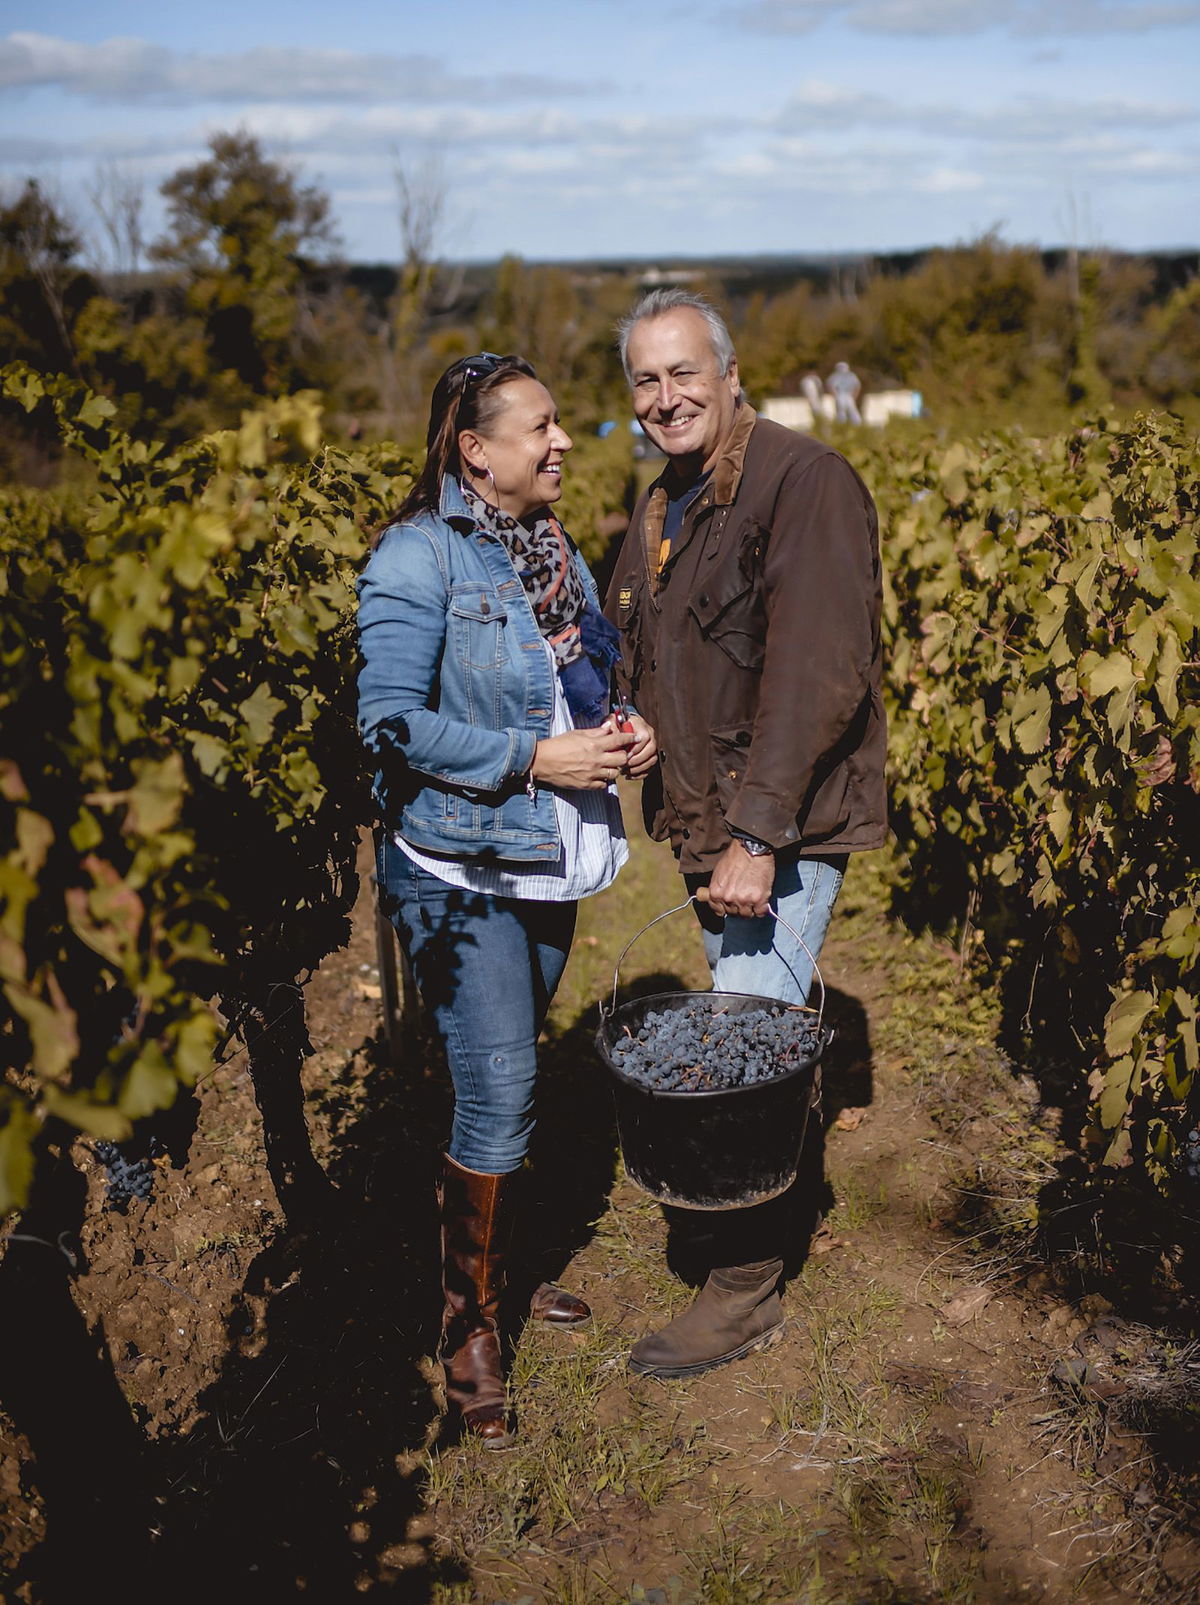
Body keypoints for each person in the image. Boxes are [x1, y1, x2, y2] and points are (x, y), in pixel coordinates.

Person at [357, 353, 657, 1446]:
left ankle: (503, 1272)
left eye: (560, 422)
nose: (564, 440)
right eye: (540, 427)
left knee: (510, 1066)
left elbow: (585, 672)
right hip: (454, 863)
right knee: (503, 1085)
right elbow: (387, 722)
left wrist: (624, 731)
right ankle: (467, 1331)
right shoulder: (413, 557)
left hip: (540, 856)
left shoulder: (552, 552)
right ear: (476, 451)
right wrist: (538, 760)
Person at [605, 290, 886, 1379]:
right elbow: (655, 647)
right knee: (744, 1022)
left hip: (780, 822)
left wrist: (759, 835)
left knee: (748, 1050)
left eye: (683, 373)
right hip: (712, 817)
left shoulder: (803, 482)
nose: (664, 397)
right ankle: (756, 1231)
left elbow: (820, 674)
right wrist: (631, 728)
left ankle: (743, 1290)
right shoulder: (668, 502)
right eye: (644, 379)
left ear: (729, 376)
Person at [826, 360, 863, 425]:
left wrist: (854, 395)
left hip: (848, 395)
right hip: (840, 394)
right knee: (841, 410)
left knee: (851, 409)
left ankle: (857, 424)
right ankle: (842, 424)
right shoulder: (835, 376)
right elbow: (830, 385)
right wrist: (834, 395)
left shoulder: (851, 376)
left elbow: (857, 386)